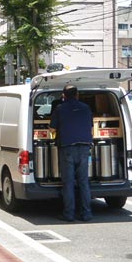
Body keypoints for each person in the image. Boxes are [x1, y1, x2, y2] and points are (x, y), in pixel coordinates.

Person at [49, 84, 94, 222]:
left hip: (67, 147)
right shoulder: (86, 108)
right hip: (85, 147)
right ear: (77, 94)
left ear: (63, 95)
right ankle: (86, 213)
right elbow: (92, 129)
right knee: (83, 182)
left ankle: (69, 214)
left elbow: (52, 129)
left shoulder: (60, 108)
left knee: (68, 182)